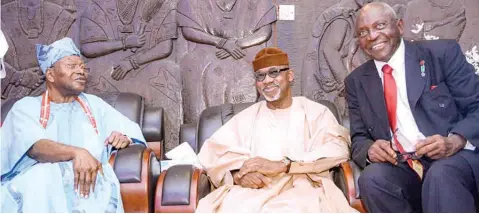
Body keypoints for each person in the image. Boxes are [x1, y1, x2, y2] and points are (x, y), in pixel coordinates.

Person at [345, 2, 479, 212]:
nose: (371, 36)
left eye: (380, 26)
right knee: (372, 179)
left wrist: (454, 140)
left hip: (455, 159)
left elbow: (477, 107)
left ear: (399, 26)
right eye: (363, 32)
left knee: (441, 174)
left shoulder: (441, 54)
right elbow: (359, 139)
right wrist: (370, 150)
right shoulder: (356, 81)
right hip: (405, 165)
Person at [195, 47, 357, 212]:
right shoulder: (247, 117)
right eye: (260, 76)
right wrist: (237, 176)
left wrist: (284, 165)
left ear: (290, 75)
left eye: (274, 72)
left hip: (303, 188)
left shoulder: (316, 112)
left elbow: (338, 149)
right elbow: (212, 154)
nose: (267, 80)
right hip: (253, 192)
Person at [0, 37, 146, 212]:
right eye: (72, 66)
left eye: (83, 67)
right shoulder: (25, 107)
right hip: (38, 186)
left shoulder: (94, 104)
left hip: (88, 185)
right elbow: (35, 147)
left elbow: (129, 131)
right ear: (51, 74)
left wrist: (124, 138)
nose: (81, 71)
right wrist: (77, 153)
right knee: (43, 177)